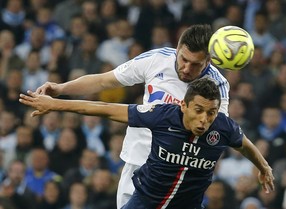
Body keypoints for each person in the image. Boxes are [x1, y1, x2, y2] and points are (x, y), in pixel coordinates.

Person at [34, 24, 230, 208]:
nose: (186, 68)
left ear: (208, 60)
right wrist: (61, 88)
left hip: (177, 175)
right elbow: (104, 81)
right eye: (183, 59)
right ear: (177, 48)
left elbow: (216, 133)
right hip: (137, 160)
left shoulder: (218, 86)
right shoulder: (157, 59)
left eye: (195, 64)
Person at [19, 78, 275, 209]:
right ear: (184, 105)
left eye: (211, 112)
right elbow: (105, 109)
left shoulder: (223, 127)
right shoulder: (161, 114)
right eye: (198, 110)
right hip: (146, 201)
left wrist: (263, 167)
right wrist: (55, 104)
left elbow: (245, 145)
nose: (205, 119)